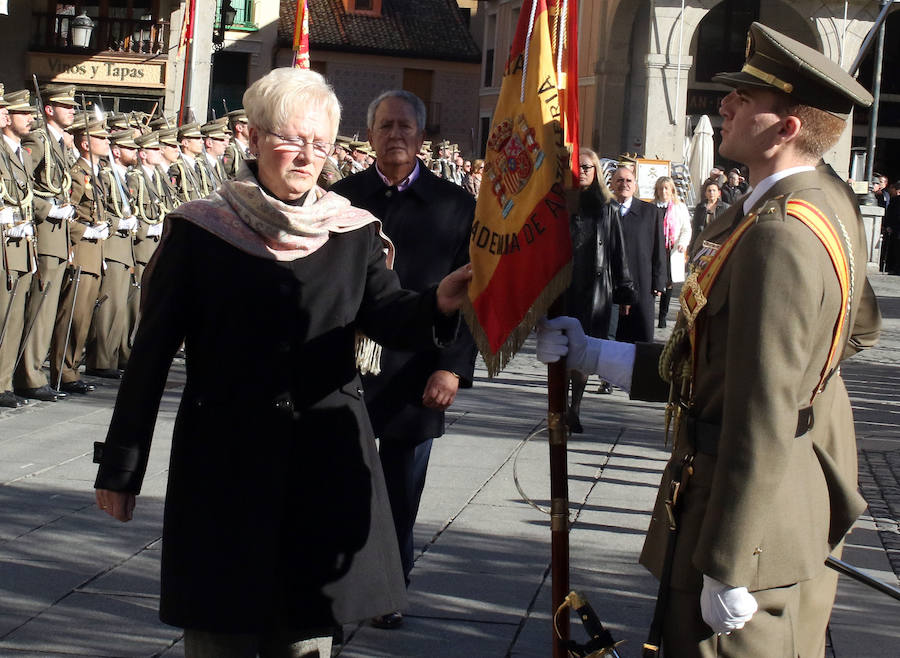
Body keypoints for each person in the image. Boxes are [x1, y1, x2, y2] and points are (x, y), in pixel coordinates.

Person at [92, 68, 472, 658]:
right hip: (225, 466)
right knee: (223, 635)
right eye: (293, 140)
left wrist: (439, 303)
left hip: (323, 467)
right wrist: (121, 467)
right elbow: (151, 354)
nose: (308, 156)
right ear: (254, 138)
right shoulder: (200, 231)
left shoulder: (351, 230)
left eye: (320, 144)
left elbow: (390, 313)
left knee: (308, 636)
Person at [535, 23, 882, 657]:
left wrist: (730, 560)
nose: (724, 103)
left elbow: (765, 407)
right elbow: (842, 337)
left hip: (744, 515)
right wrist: (598, 353)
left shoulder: (778, 236)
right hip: (773, 493)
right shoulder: (825, 203)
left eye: (747, 98)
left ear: (787, 128)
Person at [331, 89, 478, 630]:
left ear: (422, 136)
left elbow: (474, 292)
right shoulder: (340, 200)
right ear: (369, 135)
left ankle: (389, 588)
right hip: (345, 364)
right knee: (341, 478)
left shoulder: (456, 205)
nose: (396, 135)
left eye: (406, 127)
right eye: (386, 126)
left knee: (400, 488)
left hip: (420, 365)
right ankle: (339, 579)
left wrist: (454, 366)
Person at [15, 84, 77, 402]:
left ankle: (37, 371)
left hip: (59, 234)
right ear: (49, 109)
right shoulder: (38, 140)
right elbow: (20, 181)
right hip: (45, 232)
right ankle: (30, 375)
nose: (73, 110)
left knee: (49, 309)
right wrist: (46, 209)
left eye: (73, 106)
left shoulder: (58, 143)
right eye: (66, 106)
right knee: (40, 309)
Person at [565, 147, 634, 432]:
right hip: (563, 288)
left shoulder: (608, 208)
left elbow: (618, 251)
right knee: (559, 349)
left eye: (587, 167)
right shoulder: (558, 203)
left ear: (596, 173)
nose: (581, 171)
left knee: (585, 350)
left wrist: (625, 289)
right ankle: (558, 404)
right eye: (577, 166)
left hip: (594, 290)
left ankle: (575, 407)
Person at [49, 118, 111, 395]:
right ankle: (62, 372)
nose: (108, 142)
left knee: (84, 316)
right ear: (86, 144)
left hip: (95, 252)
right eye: (103, 138)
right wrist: (85, 232)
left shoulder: (96, 173)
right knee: (72, 315)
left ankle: (71, 370)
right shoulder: (77, 174)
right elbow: (68, 212)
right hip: (82, 251)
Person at [0, 89, 44, 408]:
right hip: (5, 243)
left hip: (20, 244)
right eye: (21, 112)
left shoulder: (17, 154)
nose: (30, 118)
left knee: (14, 317)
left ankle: (3, 382)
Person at [84, 130, 139, 378]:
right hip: (113, 244)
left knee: (119, 307)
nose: (135, 153)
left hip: (124, 247)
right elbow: (103, 210)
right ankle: (101, 360)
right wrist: (119, 224)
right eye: (130, 148)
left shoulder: (122, 176)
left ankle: (113, 358)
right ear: (117, 151)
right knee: (108, 307)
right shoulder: (106, 176)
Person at [610, 166, 666, 343]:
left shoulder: (650, 212)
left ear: (635, 186)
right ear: (612, 184)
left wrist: (659, 281)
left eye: (628, 181)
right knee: (612, 340)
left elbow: (659, 248)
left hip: (642, 285)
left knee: (640, 340)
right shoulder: (606, 210)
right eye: (619, 180)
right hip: (612, 286)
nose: (624, 184)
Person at [652, 176, 691, 329]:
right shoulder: (652, 206)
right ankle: (651, 311)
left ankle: (663, 315)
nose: (664, 191)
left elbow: (686, 228)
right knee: (654, 280)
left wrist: (682, 243)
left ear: (672, 190)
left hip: (671, 250)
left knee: (668, 283)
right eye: (661, 188)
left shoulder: (679, 207)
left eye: (666, 188)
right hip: (656, 249)